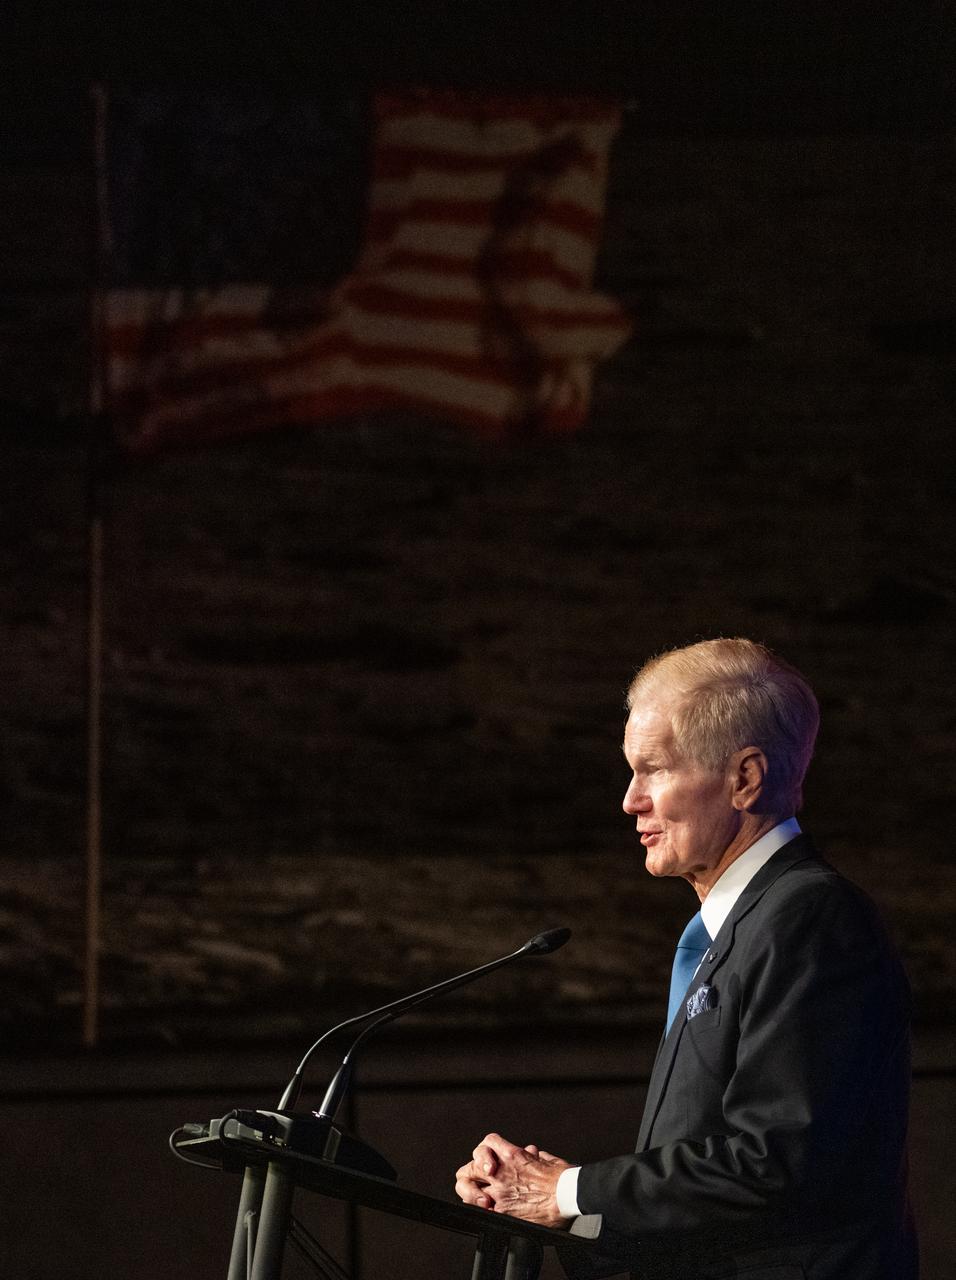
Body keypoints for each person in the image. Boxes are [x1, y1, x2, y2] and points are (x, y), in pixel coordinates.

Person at [454, 638, 917, 1279]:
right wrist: (553, 1206)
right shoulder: (735, 928)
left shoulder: (810, 918)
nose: (630, 800)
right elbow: (712, 1189)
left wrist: (568, 1190)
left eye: (655, 770)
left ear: (744, 779)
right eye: (630, 771)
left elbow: (774, 1161)